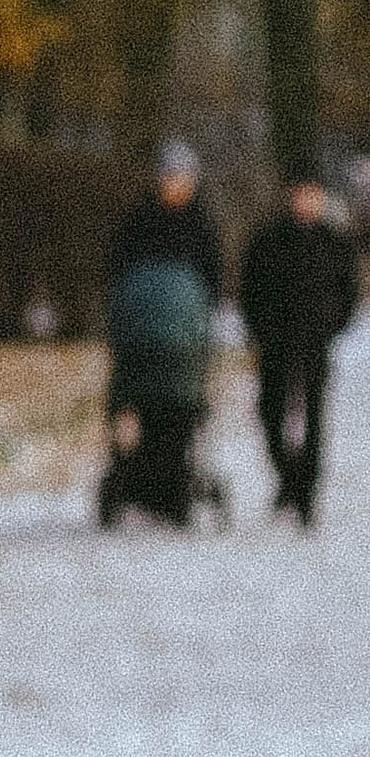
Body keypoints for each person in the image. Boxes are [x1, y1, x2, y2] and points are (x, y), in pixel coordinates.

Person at [98, 139, 226, 529]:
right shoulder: (138, 220)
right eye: (169, 177)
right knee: (139, 413)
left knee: (178, 417)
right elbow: (116, 272)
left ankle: (170, 490)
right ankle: (142, 485)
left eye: (182, 178)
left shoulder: (201, 225)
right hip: (139, 339)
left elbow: (213, 280)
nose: (175, 185)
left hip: (183, 344)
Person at [237, 166, 361, 525]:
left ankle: (306, 491)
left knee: (313, 419)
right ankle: (288, 480)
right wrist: (259, 328)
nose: (306, 201)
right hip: (275, 341)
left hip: (315, 341)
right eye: (301, 193)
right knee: (271, 413)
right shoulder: (267, 239)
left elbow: (348, 293)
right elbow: (250, 288)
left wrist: (331, 324)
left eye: (313, 194)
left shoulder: (334, 241)